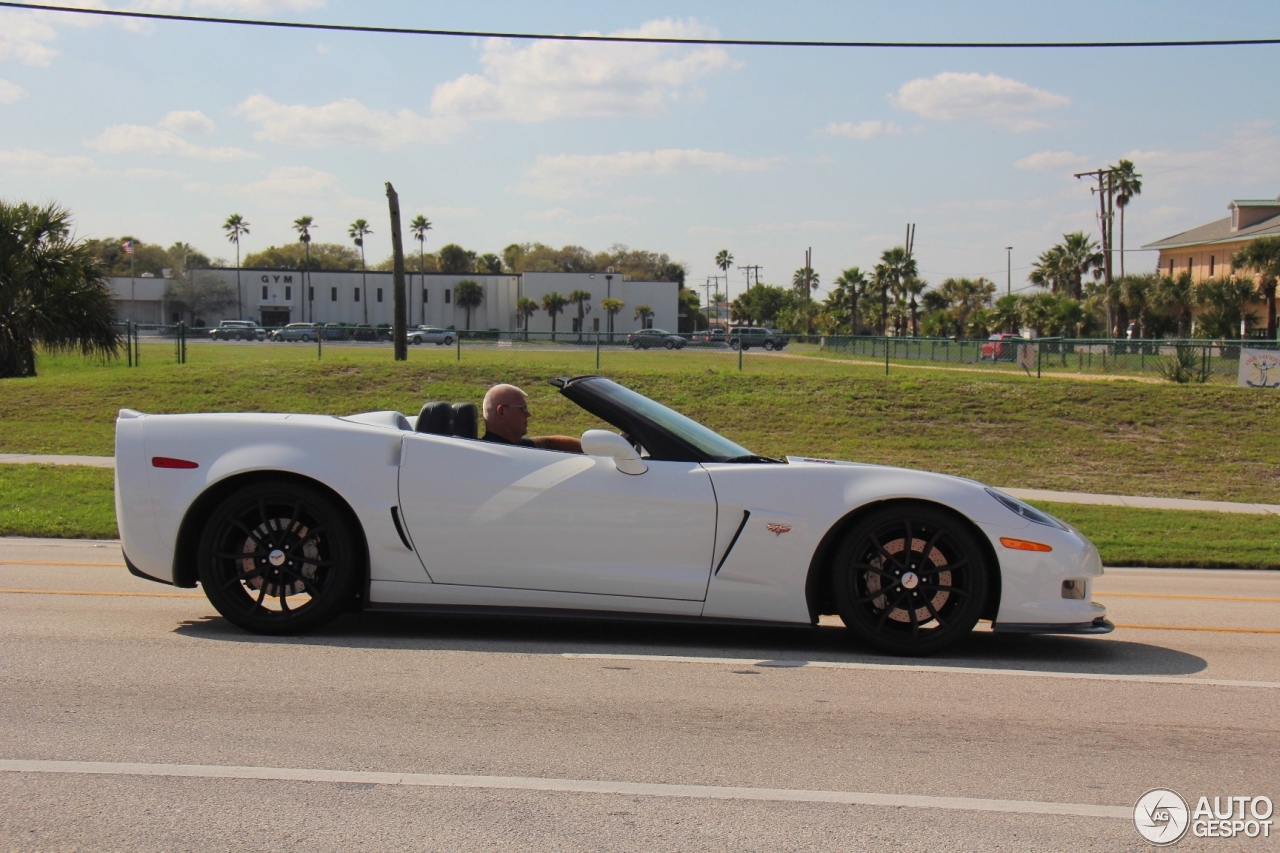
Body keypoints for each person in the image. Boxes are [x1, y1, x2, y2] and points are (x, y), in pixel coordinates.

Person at [481, 384, 582, 452]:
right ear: (502, 411)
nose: (528, 414)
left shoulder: (511, 444)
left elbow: (552, 442)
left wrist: (591, 449)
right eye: (523, 408)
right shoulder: (494, 452)